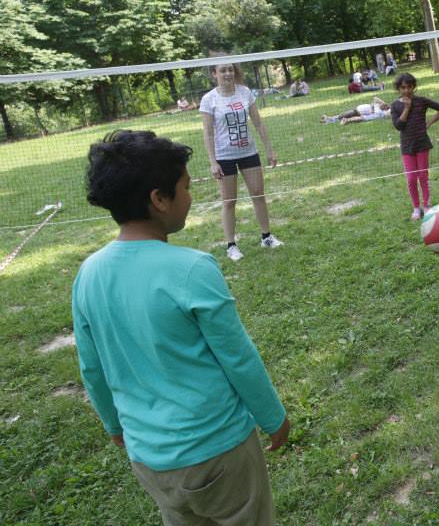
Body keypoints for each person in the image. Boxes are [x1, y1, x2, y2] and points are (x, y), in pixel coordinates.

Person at [74, 130, 290, 525]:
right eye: (186, 187)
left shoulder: (88, 274)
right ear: (159, 199)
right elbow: (237, 357)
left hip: (149, 459)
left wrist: (113, 424)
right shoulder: (192, 270)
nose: (191, 196)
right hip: (219, 452)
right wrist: (273, 417)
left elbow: (91, 368)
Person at [200, 59, 284, 262]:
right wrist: (213, 161)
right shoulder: (209, 99)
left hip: (249, 152)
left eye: (230, 69)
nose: (228, 73)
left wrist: (269, 150)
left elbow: (258, 124)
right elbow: (208, 134)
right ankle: (231, 246)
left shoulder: (245, 92)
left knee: (258, 194)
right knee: (229, 201)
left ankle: (266, 237)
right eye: (223, 71)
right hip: (224, 156)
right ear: (214, 74)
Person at [390, 73, 439, 220]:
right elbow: (398, 126)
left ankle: (427, 205)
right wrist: (407, 108)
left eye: (409, 87)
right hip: (407, 147)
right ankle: (416, 207)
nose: (407, 90)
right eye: (403, 87)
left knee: (423, 176)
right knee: (411, 178)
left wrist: (429, 123)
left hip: (422, 144)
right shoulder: (395, 105)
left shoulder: (421, 101)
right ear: (398, 89)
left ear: (414, 87)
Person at [323, 97, 391, 124]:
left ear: (385, 108)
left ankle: (330, 119)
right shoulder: (377, 105)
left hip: (358, 112)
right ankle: (330, 119)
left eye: (384, 106)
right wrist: (382, 102)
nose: (382, 105)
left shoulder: (379, 111)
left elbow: (376, 114)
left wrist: (374, 108)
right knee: (343, 115)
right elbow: (375, 98)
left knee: (343, 116)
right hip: (357, 110)